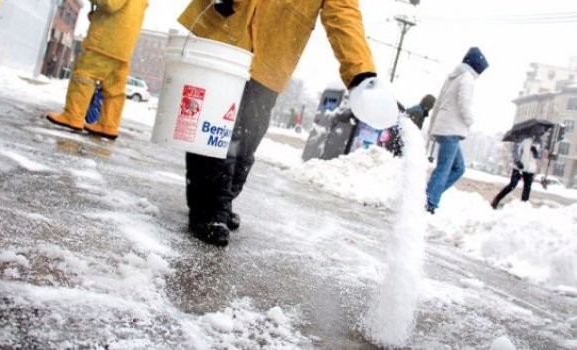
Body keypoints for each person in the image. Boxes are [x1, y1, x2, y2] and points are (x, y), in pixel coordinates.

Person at [179, 0, 387, 246]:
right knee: (214, 127)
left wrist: (359, 70)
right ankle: (210, 209)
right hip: (225, 30)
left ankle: (223, 199)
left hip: (274, 47)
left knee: (248, 136)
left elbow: (343, 12)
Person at [45, 0, 149, 140]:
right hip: (123, 48)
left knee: (83, 76)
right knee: (115, 90)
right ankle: (108, 125)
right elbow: (121, 15)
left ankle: (73, 116)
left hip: (103, 43)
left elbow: (110, 4)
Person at [425, 47, 488, 214]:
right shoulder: (467, 78)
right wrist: (470, 120)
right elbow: (464, 103)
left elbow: (438, 104)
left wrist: (432, 128)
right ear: (477, 67)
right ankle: (429, 202)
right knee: (444, 167)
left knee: (458, 168)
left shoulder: (453, 77)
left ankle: (430, 194)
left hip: (443, 127)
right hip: (451, 129)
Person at [490, 136, 542, 209]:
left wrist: (536, 152)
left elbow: (539, 156)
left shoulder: (539, 142)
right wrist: (517, 161)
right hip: (519, 167)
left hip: (530, 169)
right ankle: (497, 199)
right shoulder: (522, 139)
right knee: (512, 185)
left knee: (527, 189)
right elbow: (515, 151)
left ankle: (524, 207)